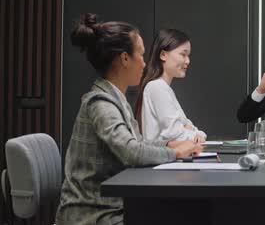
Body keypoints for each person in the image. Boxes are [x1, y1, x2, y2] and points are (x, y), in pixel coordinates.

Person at [56, 14, 202, 225]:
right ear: (125, 59)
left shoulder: (117, 98)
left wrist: (169, 144)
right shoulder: (100, 102)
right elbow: (131, 151)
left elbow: (137, 142)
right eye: (141, 55)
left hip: (112, 205)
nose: (144, 63)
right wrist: (175, 151)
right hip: (92, 212)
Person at [135, 29, 207, 143]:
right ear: (163, 55)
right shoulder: (157, 87)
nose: (187, 61)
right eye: (183, 54)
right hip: (164, 160)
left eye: (188, 55)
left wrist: (190, 130)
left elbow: (190, 127)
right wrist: (192, 132)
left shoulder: (163, 88)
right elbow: (174, 133)